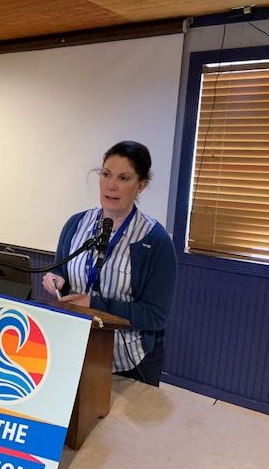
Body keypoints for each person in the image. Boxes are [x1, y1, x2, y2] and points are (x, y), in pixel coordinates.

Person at [42, 141, 176, 386]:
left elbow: (155, 316)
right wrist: (56, 278)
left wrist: (94, 304)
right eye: (106, 174)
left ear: (140, 186)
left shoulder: (155, 240)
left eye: (124, 178)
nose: (111, 185)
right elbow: (60, 269)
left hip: (130, 362)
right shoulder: (76, 224)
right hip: (75, 350)